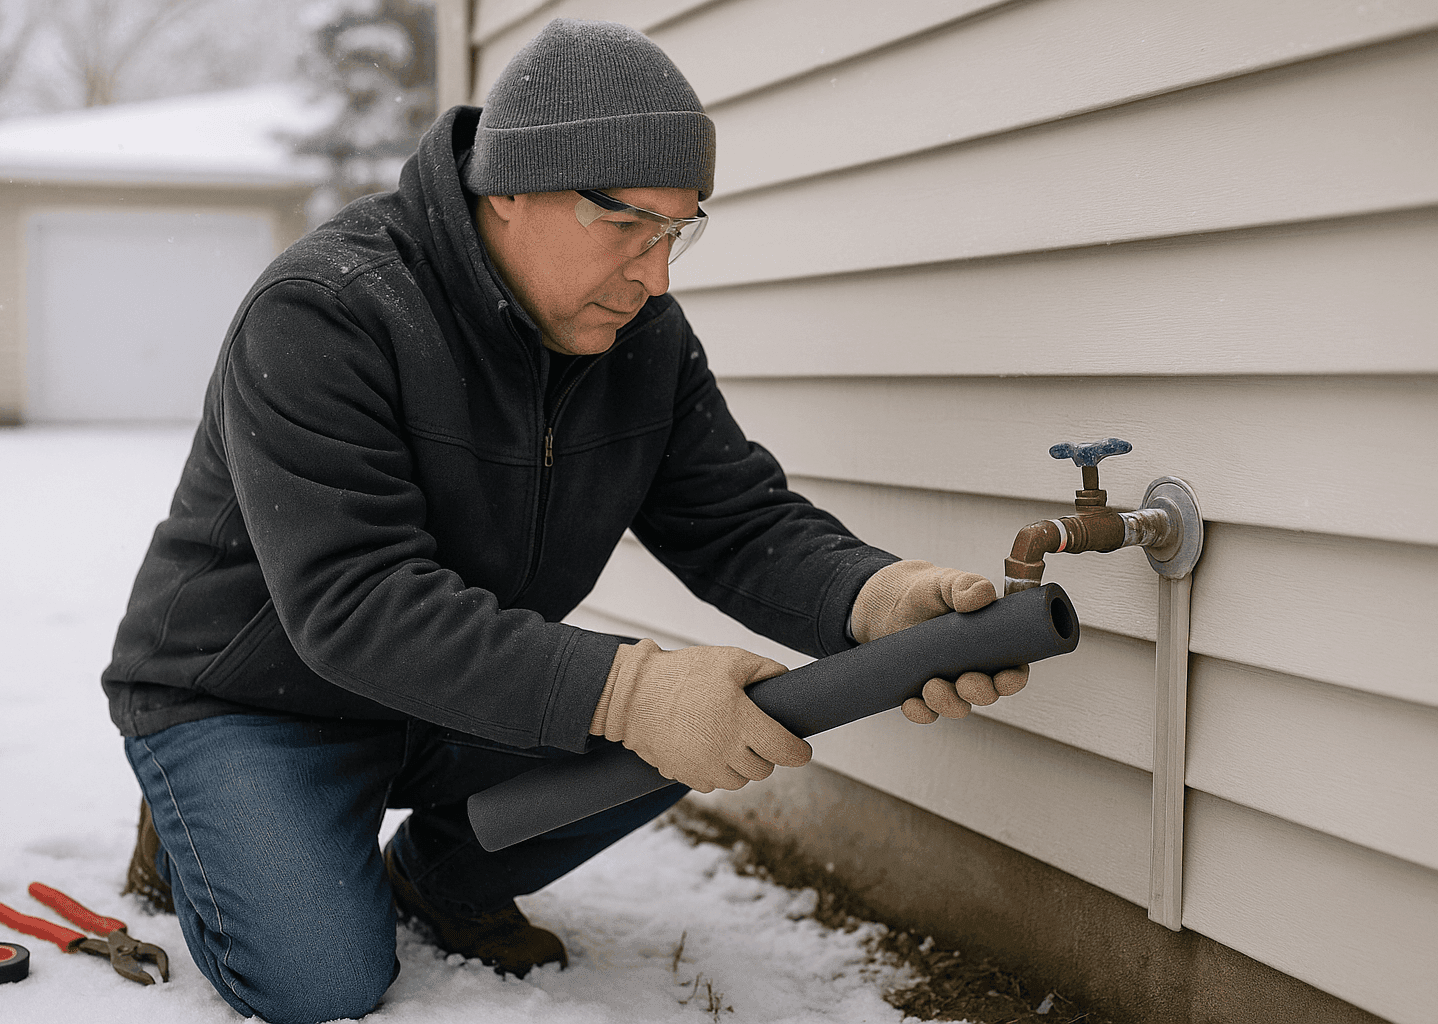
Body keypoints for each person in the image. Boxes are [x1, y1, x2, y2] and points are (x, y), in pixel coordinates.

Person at [102, 18, 1029, 1024]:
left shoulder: (642, 340)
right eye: (628, 225)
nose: (656, 274)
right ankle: (197, 819)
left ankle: (442, 877)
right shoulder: (331, 310)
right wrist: (627, 690)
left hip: (449, 688)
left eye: (676, 232)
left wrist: (874, 601)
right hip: (254, 696)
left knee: (705, 712)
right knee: (322, 980)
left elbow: (737, 521)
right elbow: (353, 602)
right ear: (510, 186)